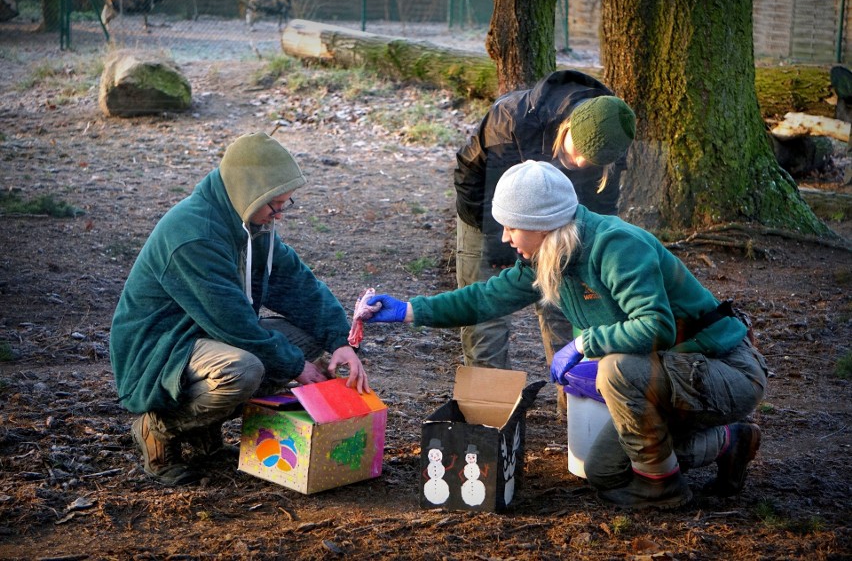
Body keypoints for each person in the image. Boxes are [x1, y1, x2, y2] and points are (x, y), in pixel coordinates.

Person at [365, 161, 768, 509]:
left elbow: (656, 327)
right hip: (672, 377)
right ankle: (730, 442)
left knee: (616, 371)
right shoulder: (547, 255)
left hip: (723, 370)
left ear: (542, 225)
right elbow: (485, 299)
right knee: (604, 474)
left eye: (512, 226)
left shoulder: (615, 246)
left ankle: (663, 490)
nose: (505, 237)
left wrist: (582, 343)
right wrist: (409, 310)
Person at [110, 132, 369, 486]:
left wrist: (340, 341)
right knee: (244, 369)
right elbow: (232, 324)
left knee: (307, 340)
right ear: (248, 191)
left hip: (204, 336)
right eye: (274, 203)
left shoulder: (251, 221)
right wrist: (296, 367)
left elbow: (295, 283)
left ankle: (205, 436)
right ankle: (157, 427)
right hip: (161, 349)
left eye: (285, 203)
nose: (279, 213)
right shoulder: (194, 235)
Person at [454, 69, 636, 415]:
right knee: (486, 316)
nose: (580, 164)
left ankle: (578, 414)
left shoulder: (613, 132)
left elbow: (601, 209)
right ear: (566, 127)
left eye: (592, 163)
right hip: (487, 215)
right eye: (576, 153)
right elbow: (471, 180)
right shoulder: (510, 121)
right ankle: (487, 418)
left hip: (559, 225)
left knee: (567, 311)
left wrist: (582, 263)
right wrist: (501, 246)